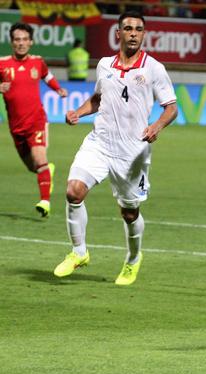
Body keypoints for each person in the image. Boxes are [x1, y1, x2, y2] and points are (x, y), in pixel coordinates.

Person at [53, 11, 178, 286]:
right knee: (74, 191)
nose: (133, 33)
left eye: (139, 29)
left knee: (129, 212)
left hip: (132, 153)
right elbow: (98, 99)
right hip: (100, 143)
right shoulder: (105, 65)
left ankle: (133, 260)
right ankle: (79, 252)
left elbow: (171, 108)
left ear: (144, 35)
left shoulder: (153, 68)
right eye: (128, 28)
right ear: (118, 33)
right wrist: (78, 111)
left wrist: (156, 126)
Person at [0, 22, 68, 217]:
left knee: (40, 160)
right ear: (12, 42)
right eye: (17, 40)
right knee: (34, 167)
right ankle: (48, 171)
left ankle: (45, 201)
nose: (20, 43)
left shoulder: (37, 62)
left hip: (36, 120)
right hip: (16, 126)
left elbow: (47, 76)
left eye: (24, 39)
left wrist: (58, 89)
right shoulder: (2, 64)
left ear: (30, 42)